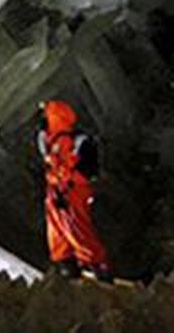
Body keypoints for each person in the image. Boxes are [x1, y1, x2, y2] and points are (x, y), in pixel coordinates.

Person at [37, 99, 112, 282]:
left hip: (72, 191)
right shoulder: (50, 140)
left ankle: (96, 267)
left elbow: (86, 170)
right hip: (58, 191)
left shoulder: (75, 141)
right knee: (58, 233)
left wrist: (67, 181)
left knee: (78, 231)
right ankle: (68, 266)